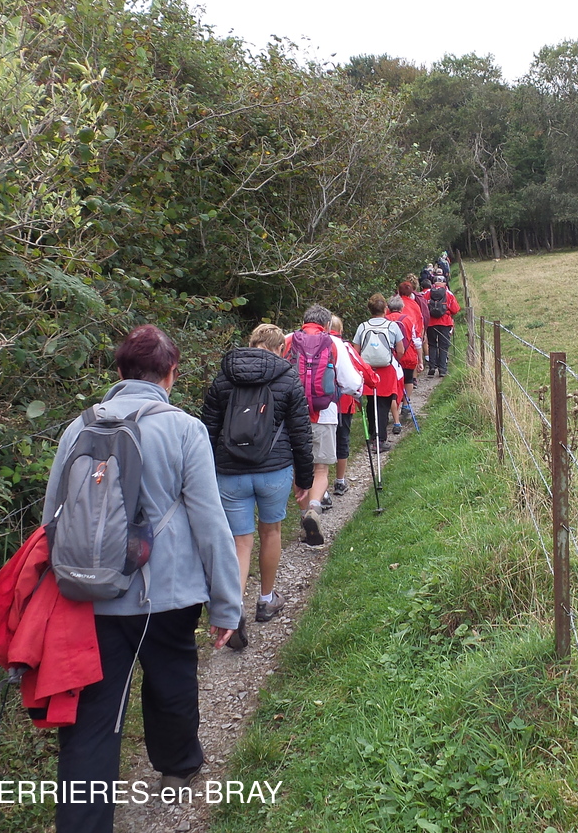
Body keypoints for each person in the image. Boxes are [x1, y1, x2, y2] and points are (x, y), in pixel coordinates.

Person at [43, 324, 241, 833]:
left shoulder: (77, 428)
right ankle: (178, 764)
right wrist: (226, 604)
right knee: (171, 679)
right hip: (168, 595)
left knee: (94, 715)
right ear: (172, 372)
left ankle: (82, 823)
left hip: (91, 594)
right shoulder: (184, 429)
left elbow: (52, 521)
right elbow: (210, 523)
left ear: (119, 371)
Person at [200, 323, 313, 650]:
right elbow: (301, 433)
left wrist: (205, 472)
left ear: (251, 344)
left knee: (240, 542)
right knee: (271, 532)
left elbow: (208, 429)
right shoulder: (288, 377)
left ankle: (233, 611)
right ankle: (265, 600)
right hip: (274, 470)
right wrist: (304, 479)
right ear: (281, 348)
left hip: (229, 471)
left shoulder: (225, 377)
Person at [285, 305, 361, 545]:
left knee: (300, 467)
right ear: (327, 325)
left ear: (303, 321)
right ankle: (315, 508)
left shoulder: (288, 340)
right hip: (324, 414)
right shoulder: (334, 343)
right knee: (320, 469)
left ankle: (303, 515)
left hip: (291, 415)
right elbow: (351, 383)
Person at [328, 315, 377, 496]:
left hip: (316, 405)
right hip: (342, 403)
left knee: (318, 446)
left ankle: (319, 493)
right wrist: (373, 380)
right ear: (340, 330)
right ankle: (340, 481)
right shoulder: (344, 347)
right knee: (342, 441)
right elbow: (363, 369)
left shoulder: (311, 346)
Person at [353, 293, 404, 452]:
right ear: (386, 309)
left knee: (371, 402)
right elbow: (400, 350)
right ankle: (380, 439)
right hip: (386, 370)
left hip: (368, 370)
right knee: (383, 403)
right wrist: (393, 359)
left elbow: (355, 351)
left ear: (370, 309)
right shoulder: (392, 326)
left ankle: (372, 434)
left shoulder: (362, 327)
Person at [385, 294, 421, 432]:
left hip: (390, 358)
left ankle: (393, 412)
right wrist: (420, 359)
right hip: (408, 355)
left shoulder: (384, 320)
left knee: (392, 386)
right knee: (408, 379)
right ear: (401, 307)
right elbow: (416, 339)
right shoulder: (408, 320)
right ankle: (406, 404)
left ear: (388, 308)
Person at [425, 274, 461, 378]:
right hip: (445, 322)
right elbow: (455, 309)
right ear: (444, 283)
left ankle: (432, 367)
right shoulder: (448, 293)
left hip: (431, 322)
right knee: (443, 346)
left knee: (432, 344)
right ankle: (442, 369)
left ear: (433, 283)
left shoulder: (427, 293)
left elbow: (423, 307)